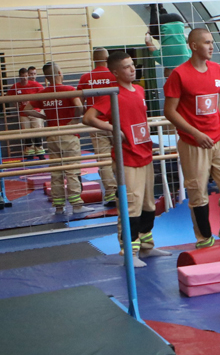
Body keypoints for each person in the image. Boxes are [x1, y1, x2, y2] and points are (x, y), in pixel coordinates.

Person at [163, 28, 220, 253]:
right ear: (193, 46)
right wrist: (196, 133)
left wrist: (217, 126)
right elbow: (169, 111)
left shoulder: (217, 69)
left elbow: (216, 99)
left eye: (212, 42)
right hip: (193, 143)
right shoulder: (179, 75)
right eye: (207, 42)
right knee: (198, 193)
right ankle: (205, 240)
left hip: (219, 138)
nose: (211, 46)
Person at [82, 52, 161, 265]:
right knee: (131, 205)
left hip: (145, 154)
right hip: (127, 158)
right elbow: (88, 117)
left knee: (148, 204)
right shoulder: (112, 94)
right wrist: (113, 127)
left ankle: (146, 246)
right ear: (116, 72)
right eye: (126, 67)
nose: (132, 69)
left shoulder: (139, 90)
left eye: (132, 64)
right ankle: (129, 251)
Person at [37, 63, 85, 217]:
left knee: (56, 171)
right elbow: (79, 107)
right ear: (59, 72)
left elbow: (26, 109)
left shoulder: (43, 93)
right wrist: (74, 120)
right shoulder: (68, 89)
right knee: (72, 170)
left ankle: (59, 206)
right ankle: (76, 205)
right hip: (68, 133)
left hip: (52, 134)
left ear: (46, 77)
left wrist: (44, 116)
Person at [76, 48, 119, 207]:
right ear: (107, 58)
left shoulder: (86, 78)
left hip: (96, 123)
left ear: (93, 59)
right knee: (122, 156)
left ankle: (110, 193)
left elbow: (78, 99)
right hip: (115, 121)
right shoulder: (115, 74)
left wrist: (84, 112)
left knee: (104, 160)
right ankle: (124, 190)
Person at [7, 67, 46, 157]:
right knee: (27, 133)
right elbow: (8, 96)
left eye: (26, 76)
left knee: (37, 132)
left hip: (35, 112)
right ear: (19, 76)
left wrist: (35, 103)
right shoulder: (16, 86)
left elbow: (44, 95)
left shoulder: (35, 85)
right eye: (22, 76)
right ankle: (29, 152)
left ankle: (40, 152)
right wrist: (16, 103)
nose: (24, 78)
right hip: (23, 113)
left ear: (27, 76)